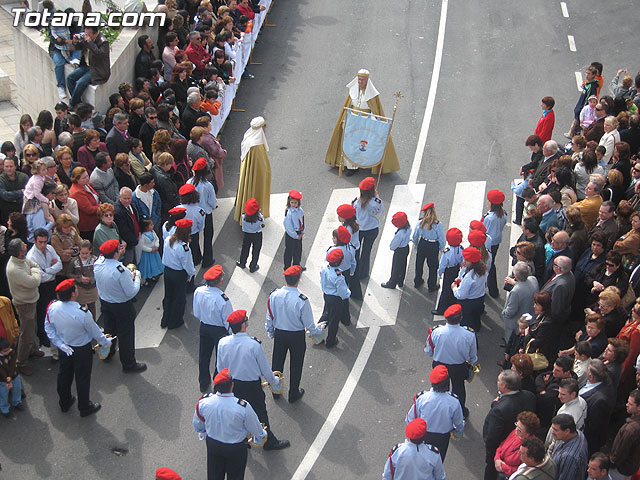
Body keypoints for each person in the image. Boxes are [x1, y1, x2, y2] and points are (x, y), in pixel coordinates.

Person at [216, 309, 290, 450]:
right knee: (260, 412)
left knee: (237, 412)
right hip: (251, 385)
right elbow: (264, 368)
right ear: (243, 325)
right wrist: (274, 381)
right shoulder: (253, 345)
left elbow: (220, 367)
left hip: (232, 384)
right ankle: (268, 441)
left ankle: (243, 441)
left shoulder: (222, 343)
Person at [45, 278, 111, 417]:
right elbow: (94, 331)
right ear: (73, 294)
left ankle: (65, 402)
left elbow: (49, 328)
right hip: (81, 349)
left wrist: (60, 344)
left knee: (64, 374)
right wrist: (105, 342)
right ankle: (84, 406)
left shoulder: (52, 307)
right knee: (82, 377)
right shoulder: (82, 312)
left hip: (65, 348)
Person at [192, 368, 267, 480]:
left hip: (213, 445)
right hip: (235, 449)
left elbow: (198, 423)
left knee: (214, 476)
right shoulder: (242, 407)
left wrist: (202, 432)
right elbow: (255, 428)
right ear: (232, 385)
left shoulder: (204, 402)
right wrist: (261, 436)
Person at [266, 265, 326, 402]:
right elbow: (309, 324)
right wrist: (318, 331)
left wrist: (271, 332)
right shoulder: (301, 300)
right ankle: (293, 392)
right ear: (298, 279)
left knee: (277, 362)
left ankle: (276, 390)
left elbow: (270, 316)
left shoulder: (274, 295)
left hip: (280, 334)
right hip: (296, 336)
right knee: (296, 364)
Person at [325, 69, 399, 175]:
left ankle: (365, 164)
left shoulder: (372, 95)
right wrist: (345, 119)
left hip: (365, 124)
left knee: (364, 144)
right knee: (351, 143)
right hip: (353, 123)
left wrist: (374, 122)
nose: (360, 82)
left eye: (363, 80)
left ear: (367, 81)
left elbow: (375, 111)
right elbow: (348, 106)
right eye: (359, 80)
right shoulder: (353, 92)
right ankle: (351, 167)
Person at [93, 239, 146, 373]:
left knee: (109, 329)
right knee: (126, 334)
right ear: (116, 253)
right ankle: (128, 364)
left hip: (105, 302)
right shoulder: (121, 271)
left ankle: (107, 353)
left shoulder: (98, 264)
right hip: (121, 306)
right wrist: (137, 278)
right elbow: (130, 293)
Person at [425, 304, 478, 418]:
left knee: (440, 390)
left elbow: (429, 351)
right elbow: (472, 355)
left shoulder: (436, 331)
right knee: (459, 388)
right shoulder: (469, 334)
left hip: (439, 365)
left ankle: (442, 412)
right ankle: (460, 412)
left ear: (446, 318)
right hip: (458, 367)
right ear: (461, 317)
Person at [483, 370, 537, 480]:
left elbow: (491, 436)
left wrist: (491, 454)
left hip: (503, 451)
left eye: (498, 380)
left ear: (504, 385)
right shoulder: (529, 396)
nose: (497, 382)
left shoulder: (499, 410)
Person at [405, 365, 464, 462]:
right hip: (442, 438)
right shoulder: (453, 401)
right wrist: (458, 432)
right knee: (438, 461)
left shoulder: (422, 398)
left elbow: (410, 419)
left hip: (423, 435)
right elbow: (459, 423)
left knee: (420, 460)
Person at [193, 265, 232, 393]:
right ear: (220, 281)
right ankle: (218, 381)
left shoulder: (199, 291)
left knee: (204, 356)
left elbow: (197, 312)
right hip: (219, 330)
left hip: (204, 326)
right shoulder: (222, 299)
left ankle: (203, 382)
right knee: (220, 359)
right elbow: (228, 321)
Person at [5, 239, 42, 376]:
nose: (26, 245)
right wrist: (35, 271)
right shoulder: (15, 269)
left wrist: (34, 269)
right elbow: (34, 281)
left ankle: (30, 349)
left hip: (31, 300)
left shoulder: (21, 260)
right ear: (20, 253)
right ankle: (21, 362)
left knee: (33, 328)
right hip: (24, 303)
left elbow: (33, 265)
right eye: (23, 246)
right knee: (26, 333)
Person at [27, 227, 63, 353]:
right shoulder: (31, 256)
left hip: (51, 284)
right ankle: (44, 337)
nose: (43, 245)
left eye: (44, 242)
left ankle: (53, 333)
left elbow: (59, 264)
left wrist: (47, 270)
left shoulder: (50, 248)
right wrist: (52, 269)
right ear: (35, 241)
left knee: (53, 310)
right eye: (40, 242)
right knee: (42, 311)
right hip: (42, 287)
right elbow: (41, 277)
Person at [233, 116, 271, 222]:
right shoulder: (257, 146)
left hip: (247, 173)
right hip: (255, 176)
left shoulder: (248, 137)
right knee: (255, 191)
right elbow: (262, 167)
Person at [382, 418, 446, 480]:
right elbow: (440, 476)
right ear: (424, 435)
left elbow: (387, 475)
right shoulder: (433, 454)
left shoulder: (398, 452)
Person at [161, 218, 195, 329]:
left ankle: (165, 319)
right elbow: (188, 265)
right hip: (178, 274)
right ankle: (174, 321)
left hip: (167, 271)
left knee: (168, 296)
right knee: (179, 298)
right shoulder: (184, 248)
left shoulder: (168, 240)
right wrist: (191, 274)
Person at [66, 26, 111, 107]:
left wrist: (90, 43)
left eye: (88, 35)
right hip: (86, 66)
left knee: (80, 83)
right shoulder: (86, 38)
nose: (86, 36)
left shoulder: (103, 42)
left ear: (95, 34)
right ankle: (78, 103)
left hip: (97, 69)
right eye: (85, 34)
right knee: (69, 78)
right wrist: (75, 42)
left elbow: (100, 54)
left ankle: (72, 104)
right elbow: (77, 47)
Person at [580, 359, 616, 455]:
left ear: (591, 377)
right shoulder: (602, 380)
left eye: (587, 370)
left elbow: (593, 427)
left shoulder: (600, 401)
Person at [187, 158, 217, 268]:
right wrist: (212, 207)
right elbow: (212, 202)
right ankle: (207, 259)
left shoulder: (189, 182)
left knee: (194, 235)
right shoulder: (208, 185)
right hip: (206, 213)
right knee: (208, 236)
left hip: (193, 213)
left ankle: (196, 257)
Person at [493, 411, 540, 478]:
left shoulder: (530, 448)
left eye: (520, 429)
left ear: (528, 434)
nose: (516, 429)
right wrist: (497, 458)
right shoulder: (516, 433)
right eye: (516, 425)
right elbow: (502, 445)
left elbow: (522, 469)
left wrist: (504, 467)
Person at [353, 176, 384, 278]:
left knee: (356, 250)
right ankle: (363, 273)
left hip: (359, 230)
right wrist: (376, 196)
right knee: (366, 251)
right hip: (371, 229)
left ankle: (355, 271)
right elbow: (380, 211)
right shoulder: (376, 202)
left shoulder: (356, 203)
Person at [319, 249, 351, 348]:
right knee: (334, 320)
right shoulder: (338, 277)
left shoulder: (325, 266)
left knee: (327, 312)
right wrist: (348, 293)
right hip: (336, 299)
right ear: (340, 262)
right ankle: (330, 341)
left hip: (326, 294)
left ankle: (317, 332)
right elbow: (343, 293)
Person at [501, 262, 538, 344]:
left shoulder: (516, 292)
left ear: (516, 276)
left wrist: (504, 314)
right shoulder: (533, 279)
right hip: (529, 317)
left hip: (516, 322)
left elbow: (511, 311)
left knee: (511, 341)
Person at [453, 246, 488, 331]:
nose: (464, 262)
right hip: (479, 298)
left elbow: (461, 295)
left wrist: (454, 288)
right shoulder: (482, 269)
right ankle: (477, 327)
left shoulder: (470, 277)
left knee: (466, 321)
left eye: (466, 260)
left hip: (468, 302)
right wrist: (460, 278)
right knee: (476, 316)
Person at [412, 203, 445, 291]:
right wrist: (442, 248)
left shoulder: (420, 222)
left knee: (419, 264)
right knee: (433, 266)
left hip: (422, 243)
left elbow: (415, 235)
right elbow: (441, 238)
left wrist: (416, 244)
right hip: (433, 246)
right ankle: (431, 285)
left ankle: (417, 281)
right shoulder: (438, 224)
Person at [609, 389, 640, 480]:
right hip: (632, 466)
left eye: (630, 404)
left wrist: (609, 463)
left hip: (620, 470)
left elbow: (619, 454)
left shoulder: (630, 430)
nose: (626, 405)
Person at [432, 228, 464, 315]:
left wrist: (440, 273)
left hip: (449, 271)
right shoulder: (461, 249)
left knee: (445, 290)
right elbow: (462, 261)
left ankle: (441, 309)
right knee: (455, 287)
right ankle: (454, 305)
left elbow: (442, 264)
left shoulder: (447, 252)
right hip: (456, 270)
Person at [548, 414, 589, 480]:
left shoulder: (569, 457)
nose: (552, 432)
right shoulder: (578, 434)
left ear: (567, 431)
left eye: (556, 430)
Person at [484, 190, 508, 298]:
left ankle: (491, 289)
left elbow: (484, 230)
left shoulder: (489, 218)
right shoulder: (503, 214)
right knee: (491, 263)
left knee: (488, 265)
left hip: (488, 243)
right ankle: (492, 289)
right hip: (496, 241)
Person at [68, 240, 98, 321]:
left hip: (92, 287)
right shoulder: (74, 261)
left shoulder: (95, 260)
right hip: (80, 288)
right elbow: (69, 274)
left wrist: (91, 279)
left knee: (92, 307)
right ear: (79, 251)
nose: (84, 255)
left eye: (86, 253)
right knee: (81, 308)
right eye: (82, 253)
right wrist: (79, 278)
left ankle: (93, 324)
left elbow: (99, 273)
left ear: (90, 251)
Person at [381, 212, 411, 289]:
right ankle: (400, 281)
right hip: (405, 248)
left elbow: (393, 246)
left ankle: (392, 282)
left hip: (399, 251)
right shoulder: (408, 228)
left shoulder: (399, 234)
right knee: (403, 265)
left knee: (396, 267)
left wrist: (392, 247)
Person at [69, 167, 100, 241]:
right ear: (77, 179)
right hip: (88, 226)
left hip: (95, 220)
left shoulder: (85, 185)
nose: (87, 178)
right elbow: (89, 209)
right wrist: (100, 206)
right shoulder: (77, 192)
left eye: (87, 176)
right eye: (84, 177)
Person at [114, 187, 141, 266]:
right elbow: (124, 230)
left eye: (129, 198)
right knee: (129, 264)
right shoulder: (118, 211)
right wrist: (133, 241)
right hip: (128, 244)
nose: (127, 201)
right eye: (124, 198)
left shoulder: (131, 205)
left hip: (135, 239)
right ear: (120, 197)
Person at [237, 198, 263, 273]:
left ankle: (242, 263)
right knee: (256, 251)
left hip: (247, 235)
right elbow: (262, 220)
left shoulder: (243, 217)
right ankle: (253, 266)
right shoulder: (259, 219)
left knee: (245, 249)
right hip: (257, 235)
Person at [0, 157, 29, 225]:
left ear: (15, 166)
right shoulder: (1, 179)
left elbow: (29, 194)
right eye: (6, 166)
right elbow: (5, 195)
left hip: (22, 213)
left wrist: (15, 200)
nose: (9, 169)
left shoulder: (24, 177)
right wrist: (20, 192)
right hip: (6, 216)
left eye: (11, 166)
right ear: (3, 167)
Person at [0, 337, 23, 418]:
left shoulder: (12, 352)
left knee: (17, 389)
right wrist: (6, 377)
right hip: (3, 380)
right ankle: (4, 409)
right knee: (3, 394)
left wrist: (10, 375)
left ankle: (17, 402)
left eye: (8, 349)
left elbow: (13, 365)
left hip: (14, 375)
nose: (7, 352)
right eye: (4, 351)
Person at [282, 189, 305, 270]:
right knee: (289, 252)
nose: (293, 204)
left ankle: (297, 266)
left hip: (298, 233)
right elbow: (288, 228)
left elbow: (302, 221)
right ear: (289, 202)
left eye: (295, 203)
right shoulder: (289, 213)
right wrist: (296, 236)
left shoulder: (300, 210)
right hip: (291, 235)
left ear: (298, 202)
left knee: (298, 251)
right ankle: (287, 268)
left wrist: (302, 232)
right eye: (292, 202)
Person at [137, 218, 163, 284]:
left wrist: (157, 245)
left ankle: (152, 276)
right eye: (151, 225)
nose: (153, 226)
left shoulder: (153, 232)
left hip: (154, 252)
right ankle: (146, 278)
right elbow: (142, 246)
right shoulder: (143, 236)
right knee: (147, 266)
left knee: (154, 264)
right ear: (146, 227)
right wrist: (151, 250)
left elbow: (157, 239)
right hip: (147, 254)